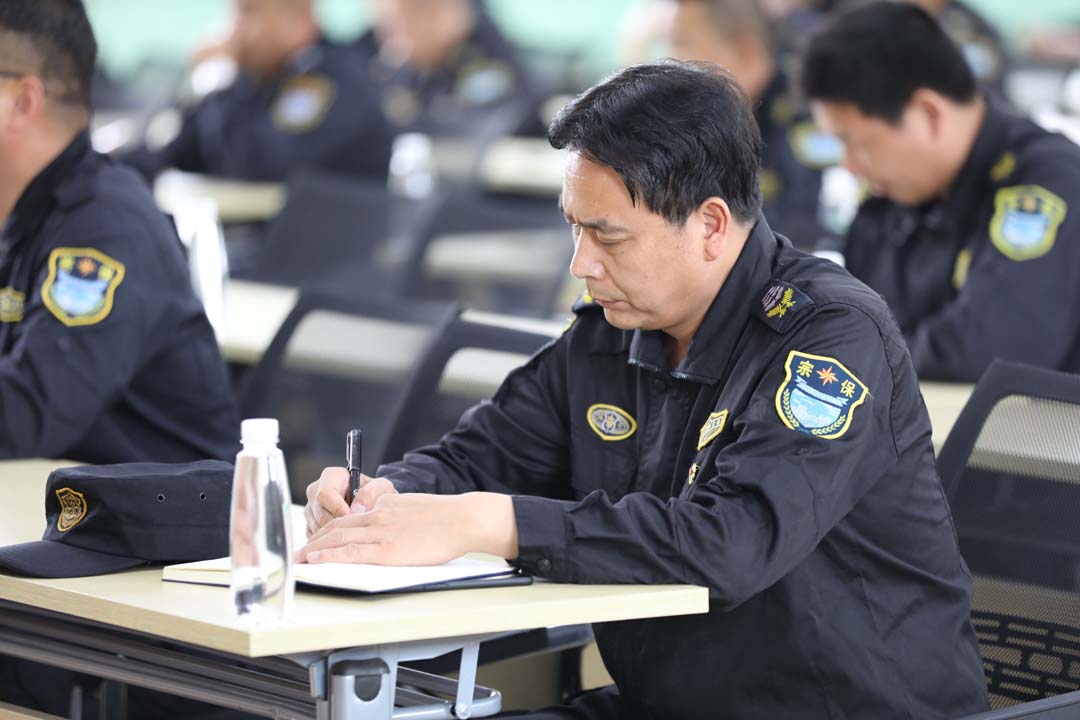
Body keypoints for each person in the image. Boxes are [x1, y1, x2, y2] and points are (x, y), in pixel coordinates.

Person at [300, 59, 988, 719]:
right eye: (575, 228)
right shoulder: (612, 330)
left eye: (609, 237)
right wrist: (383, 498)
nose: (581, 264)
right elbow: (477, 460)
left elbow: (729, 544)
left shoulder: (829, 338)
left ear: (710, 225)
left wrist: (489, 523)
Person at [0, 0, 238, 464]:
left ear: (21, 102)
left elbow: (28, 412)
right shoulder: (22, 214)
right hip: (61, 496)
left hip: (166, 509)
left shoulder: (105, 231)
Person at [801, 1, 1080, 381]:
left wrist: (862, 355)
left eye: (857, 143)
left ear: (929, 114)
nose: (849, 164)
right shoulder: (894, 196)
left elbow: (986, 352)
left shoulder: (1047, 184)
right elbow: (851, 322)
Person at [123, 0, 393, 182]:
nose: (234, 31)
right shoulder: (259, 78)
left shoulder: (330, 80)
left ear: (296, 19)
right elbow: (177, 151)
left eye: (248, 12)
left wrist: (219, 75)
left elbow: (255, 167)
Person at [663, 0, 838, 249]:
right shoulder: (696, 124)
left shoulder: (809, 112)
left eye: (681, 43)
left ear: (746, 53)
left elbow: (809, 231)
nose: (669, 62)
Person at [358, 0, 546, 139]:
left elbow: (491, 127)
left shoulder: (480, 58)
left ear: (444, 17)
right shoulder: (382, 62)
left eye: (396, 28)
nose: (389, 44)